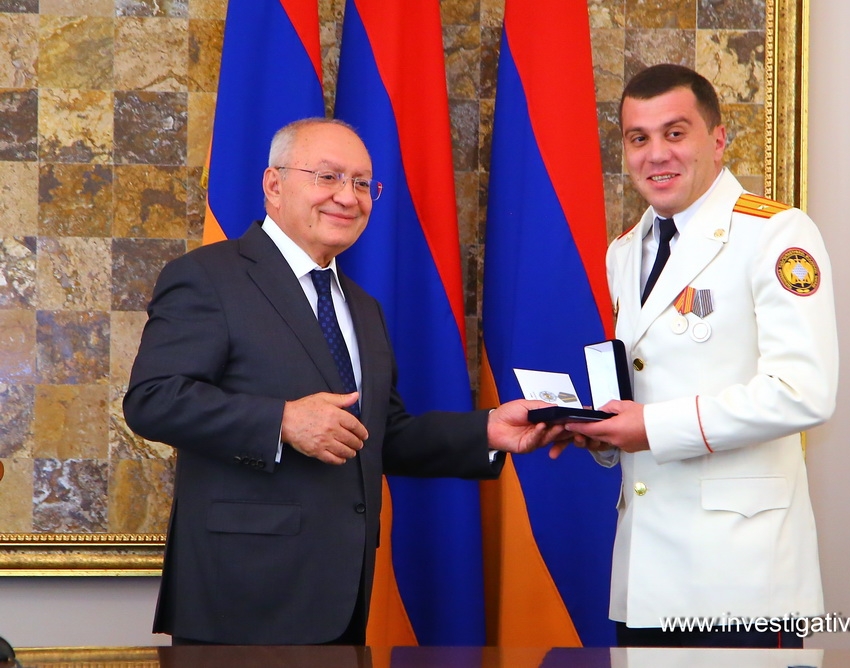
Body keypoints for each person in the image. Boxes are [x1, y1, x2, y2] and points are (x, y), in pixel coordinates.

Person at [123, 118, 566, 646]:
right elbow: (153, 399)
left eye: (361, 183)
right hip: (239, 595)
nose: (347, 197)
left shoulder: (361, 306)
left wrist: (488, 431)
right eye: (328, 177)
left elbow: (379, 433)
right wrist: (283, 421)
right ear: (274, 185)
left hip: (341, 598)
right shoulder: (208, 276)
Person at [557, 64, 838, 648]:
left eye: (675, 133)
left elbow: (803, 393)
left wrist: (651, 428)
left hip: (740, 578)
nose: (656, 154)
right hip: (645, 573)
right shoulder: (625, 249)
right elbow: (652, 380)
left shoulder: (776, 234)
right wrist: (604, 430)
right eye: (638, 138)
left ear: (718, 139)